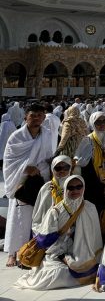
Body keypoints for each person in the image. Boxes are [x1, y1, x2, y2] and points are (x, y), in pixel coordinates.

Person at [16, 175, 103, 290]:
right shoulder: (56, 211)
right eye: (71, 188)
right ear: (65, 189)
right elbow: (46, 242)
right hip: (58, 253)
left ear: (84, 188)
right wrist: (63, 256)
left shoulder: (90, 207)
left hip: (84, 252)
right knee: (57, 274)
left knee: (96, 269)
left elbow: (95, 238)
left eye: (78, 187)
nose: (75, 191)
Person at [4, 103, 54, 267]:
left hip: (41, 179)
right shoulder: (16, 137)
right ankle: (13, 252)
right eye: (33, 115)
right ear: (26, 116)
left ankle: (34, 251)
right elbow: (9, 162)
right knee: (20, 218)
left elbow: (49, 156)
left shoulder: (47, 134)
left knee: (38, 216)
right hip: (22, 182)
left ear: (44, 118)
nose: (36, 119)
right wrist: (26, 168)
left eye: (40, 115)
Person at [31, 155, 73, 234]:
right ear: (52, 169)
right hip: (48, 231)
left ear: (70, 168)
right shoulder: (46, 188)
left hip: (69, 230)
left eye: (66, 168)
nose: (62, 170)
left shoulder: (74, 185)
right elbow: (39, 213)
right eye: (58, 168)